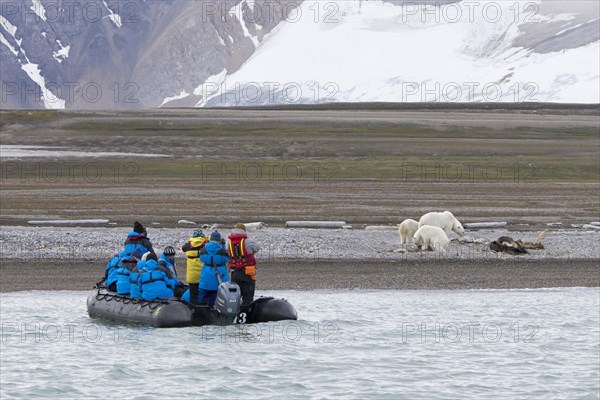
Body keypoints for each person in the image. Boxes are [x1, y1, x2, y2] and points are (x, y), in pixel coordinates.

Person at [226, 223, 260, 305]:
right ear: (244, 230)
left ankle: (235, 314)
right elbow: (257, 248)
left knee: (235, 297)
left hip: (234, 273)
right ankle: (247, 314)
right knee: (248, 297)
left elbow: (226, 251)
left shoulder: (228, 241)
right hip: (248, 273)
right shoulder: (248, 240)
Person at [198, 231, 230, 307]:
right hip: (220, 277)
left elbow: (201, 258)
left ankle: (206, 315)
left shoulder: (204, 249)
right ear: (219, 240)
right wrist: (223, 246)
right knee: (220, 299)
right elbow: (227, 258)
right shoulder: (222, 250)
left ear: (210, 239)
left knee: (206, 299)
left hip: (206, 276)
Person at [181, 229, 208, 305]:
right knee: (204, 295)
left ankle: (193, 311)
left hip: (192, 276)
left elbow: (183, 248)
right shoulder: (206, 244)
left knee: (193, 296)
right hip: (202, 274)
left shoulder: (188, 245)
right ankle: (203, 311)